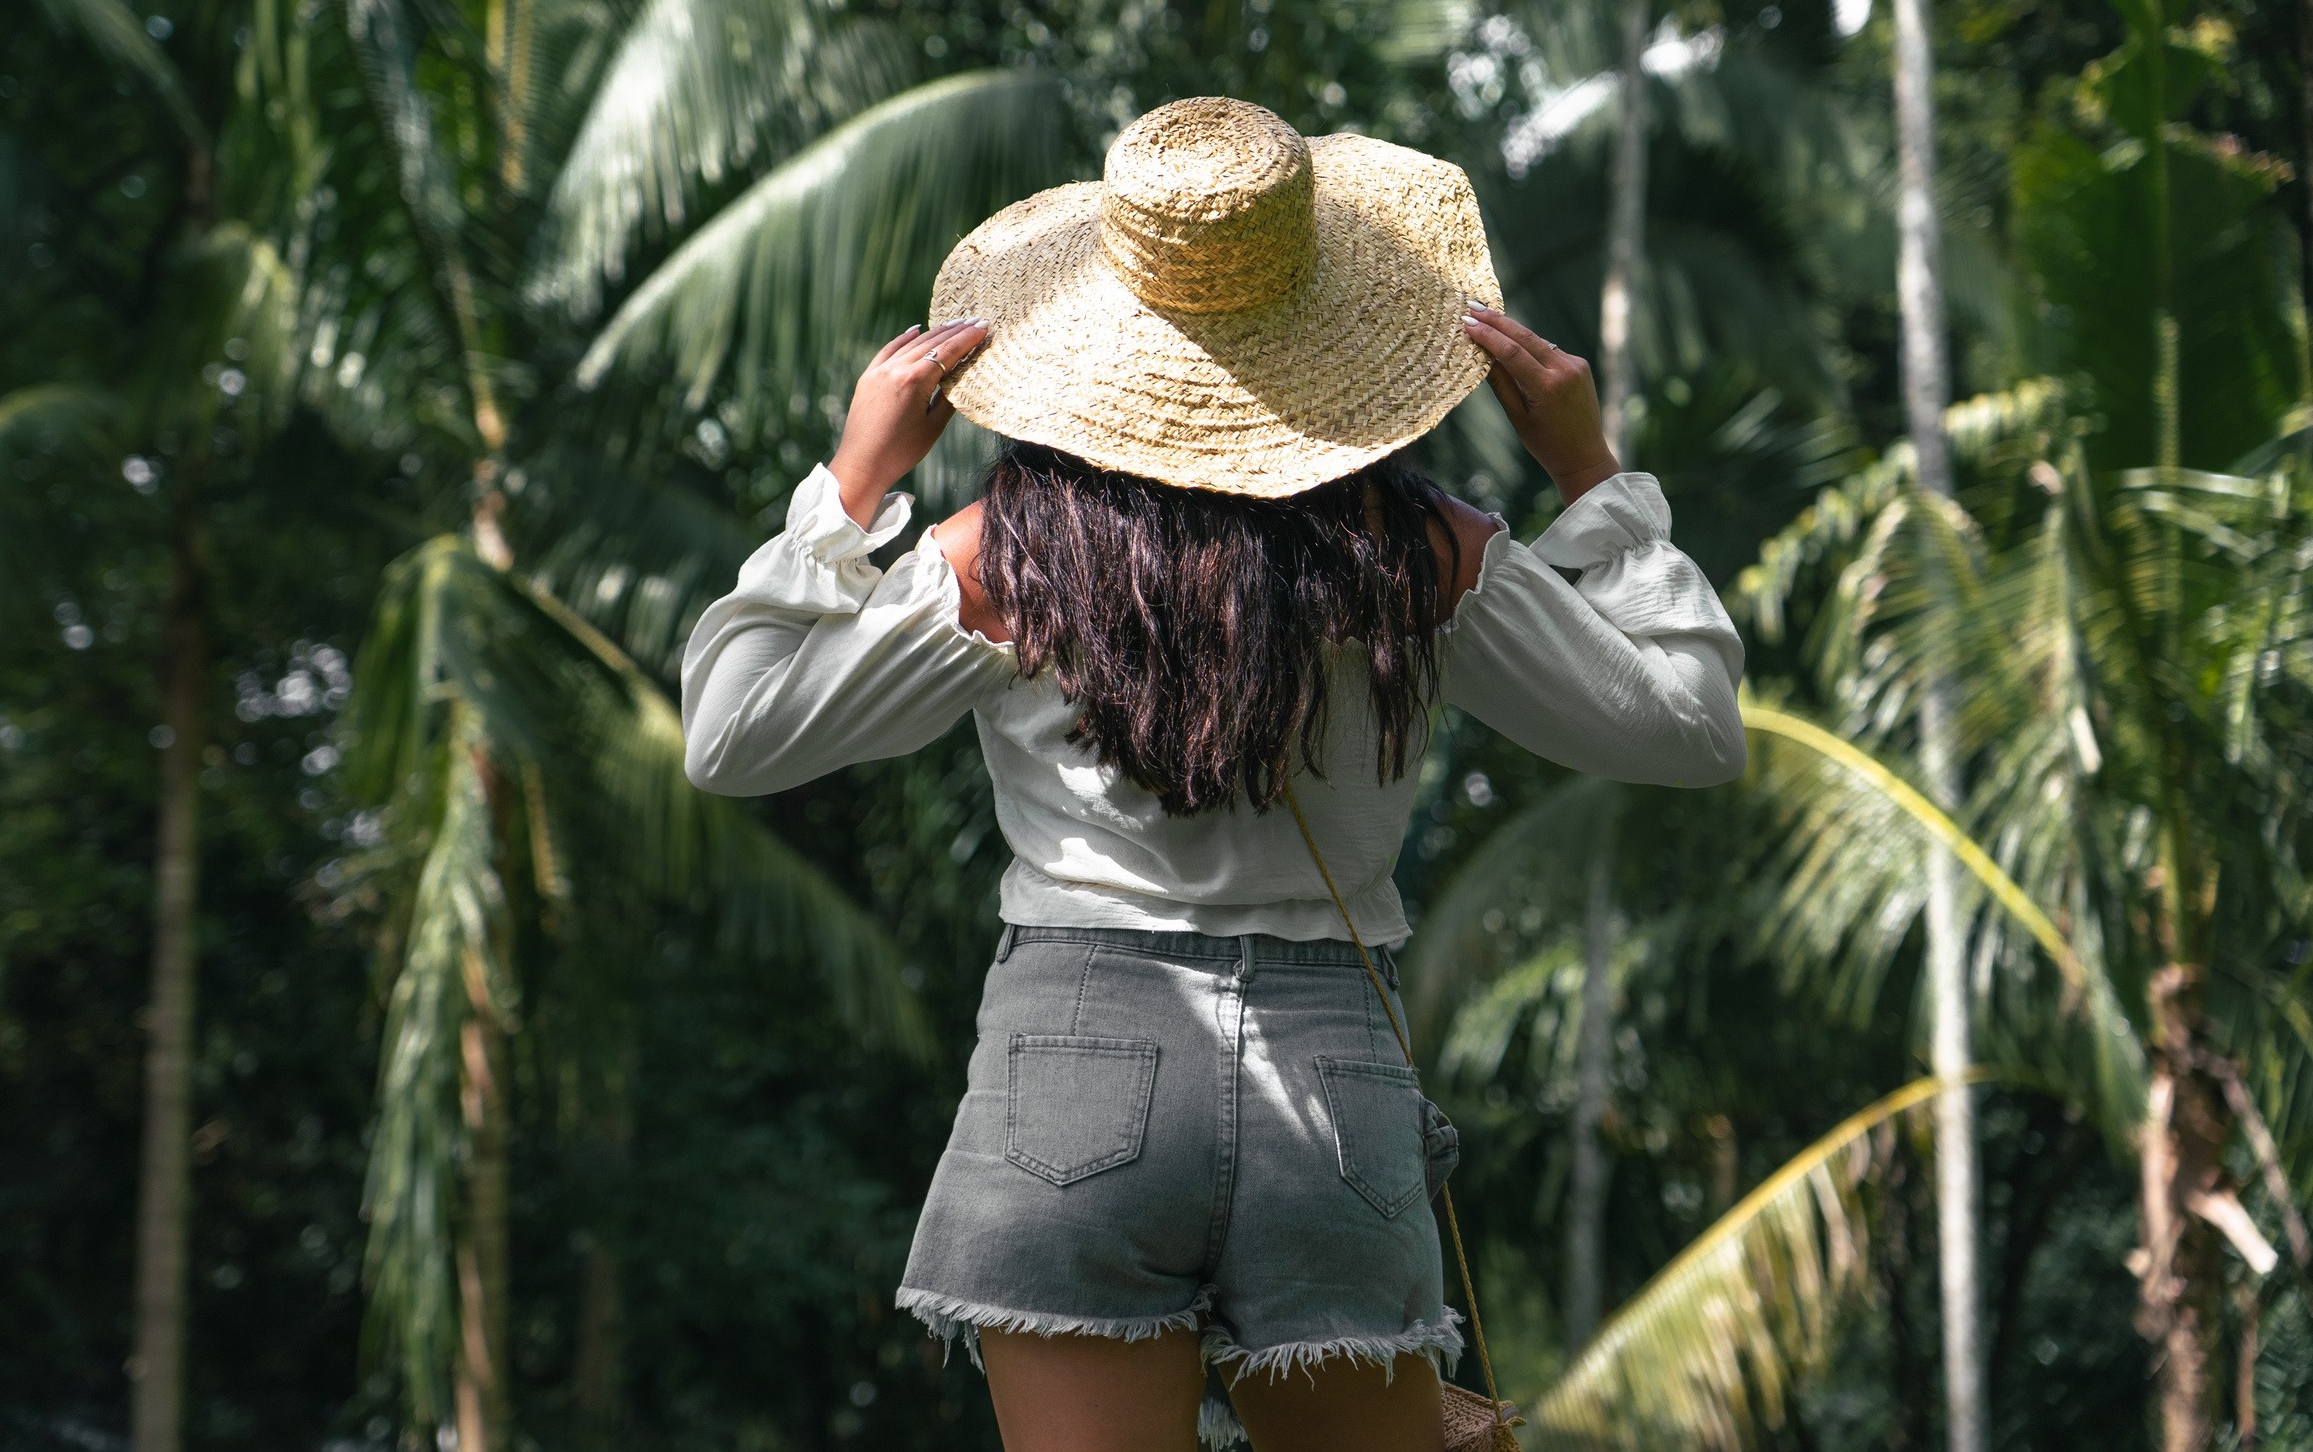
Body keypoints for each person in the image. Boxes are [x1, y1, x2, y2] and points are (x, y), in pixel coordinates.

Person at [681, 97, 1745, 1452]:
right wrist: (1591, 476)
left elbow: (730, 733)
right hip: (1329, 1070)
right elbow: (1693, 728)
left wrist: (847, 487)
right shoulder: (1421, 555)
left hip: (1071, 1057)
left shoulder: (1010, 559)